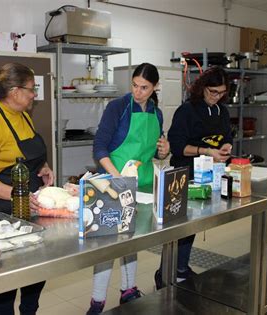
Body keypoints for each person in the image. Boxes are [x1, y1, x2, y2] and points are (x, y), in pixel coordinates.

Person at [0, 63, 54, 315]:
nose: (34, 94)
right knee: (6, 279)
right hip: (2, 214)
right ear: (15, 91)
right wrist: (18, 195)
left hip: (32, 209)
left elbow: (28, 156)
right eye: (31, 89)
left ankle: (30, 311)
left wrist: (44, 167)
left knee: (37, 270)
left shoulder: (24, 116)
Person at [89, 63, 170, 314]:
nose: (138, 92)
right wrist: (117, 179)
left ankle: (128, 290)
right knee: (108, 244)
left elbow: (156, 151)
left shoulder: (157, 113)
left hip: (143, 185)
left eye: (144, 87)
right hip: (113, 182)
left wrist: (164, 150)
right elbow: (99, 147)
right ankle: (97, 302)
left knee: (131, 239)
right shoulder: (118, 108)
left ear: (155, 87)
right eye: (134, 85)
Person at [154, 66, 232, 289]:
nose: (216, 97)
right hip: (184, 175)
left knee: (194, 225)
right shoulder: (187, 111)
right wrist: (207, 151)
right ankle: (164, 274)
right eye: (212, 92)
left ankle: (181, 268)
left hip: (208, 175)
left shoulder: (222, 112)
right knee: (179, 227)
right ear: (203, 88)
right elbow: (177, 147)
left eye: (221, 93)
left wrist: (225, 147)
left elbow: (226, 137)